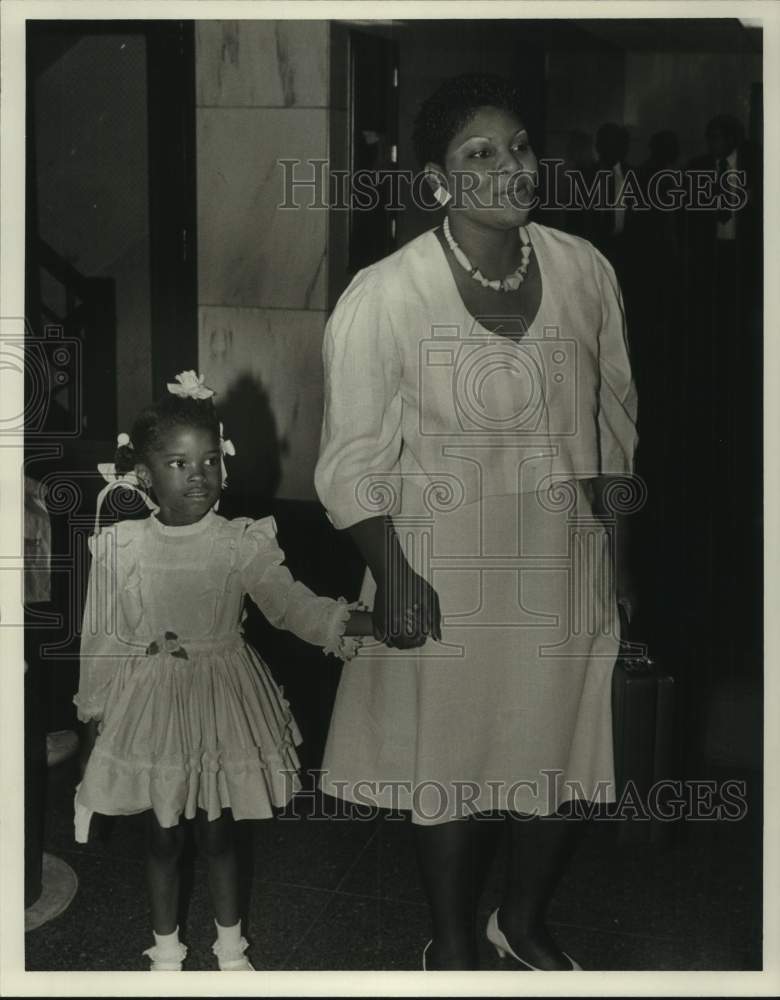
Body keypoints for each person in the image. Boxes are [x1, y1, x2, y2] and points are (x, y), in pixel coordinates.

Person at [315, 74, 638, 971]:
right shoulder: (386, 295)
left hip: (562, 557)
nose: (511, 168)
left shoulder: (583, 269)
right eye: (480, 154)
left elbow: (615, 426)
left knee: (558, 752)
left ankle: (521, 922)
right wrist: (397, 570)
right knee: (448, 767)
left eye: (522, 147)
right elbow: (347, 464)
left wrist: (619, 556)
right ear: (437, 182)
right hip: (440, 562)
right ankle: (453, 946)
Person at [74, 370, 370, 971]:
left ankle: (231, 949)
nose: (199, 475)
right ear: (144, 473)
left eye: (209, 460)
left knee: (218, 830)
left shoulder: (241, 542)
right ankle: (165, 954)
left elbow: (289, 606)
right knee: (162, 833)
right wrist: (92, 720)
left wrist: (354, 623)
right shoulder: (123, 545)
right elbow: (99, 641)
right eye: (179, 463)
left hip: (222, 699)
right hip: (152, 703)